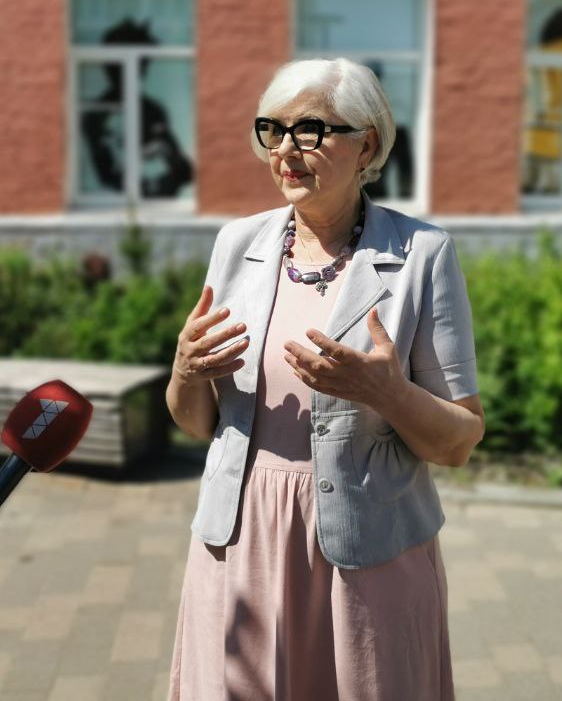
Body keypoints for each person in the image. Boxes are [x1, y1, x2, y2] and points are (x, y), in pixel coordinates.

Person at [166, 58, 484, 699]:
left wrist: (386, 392)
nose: (286, 150)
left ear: (367, 143)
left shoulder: (422, 254)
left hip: (369, 552)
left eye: (310, 130)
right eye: (272, 130)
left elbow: (458, 442)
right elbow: (199, 422)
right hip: (243, 540)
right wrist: (185, 371)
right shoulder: (238, 244)